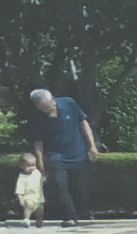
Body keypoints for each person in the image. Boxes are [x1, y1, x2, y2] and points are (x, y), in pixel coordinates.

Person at [25, 84, 96, 222]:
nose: (48, 109)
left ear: (53, 99)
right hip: (56, 156)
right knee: (60, 186)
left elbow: (83, 123)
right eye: (43, 108)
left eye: (49, 105)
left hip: (77, 152)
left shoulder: (69, 103)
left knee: (81, 187)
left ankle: (85, 213)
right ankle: (69, 216)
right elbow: (38, 142)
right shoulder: (37, 118)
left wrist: (91, 145)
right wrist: (40, 163)